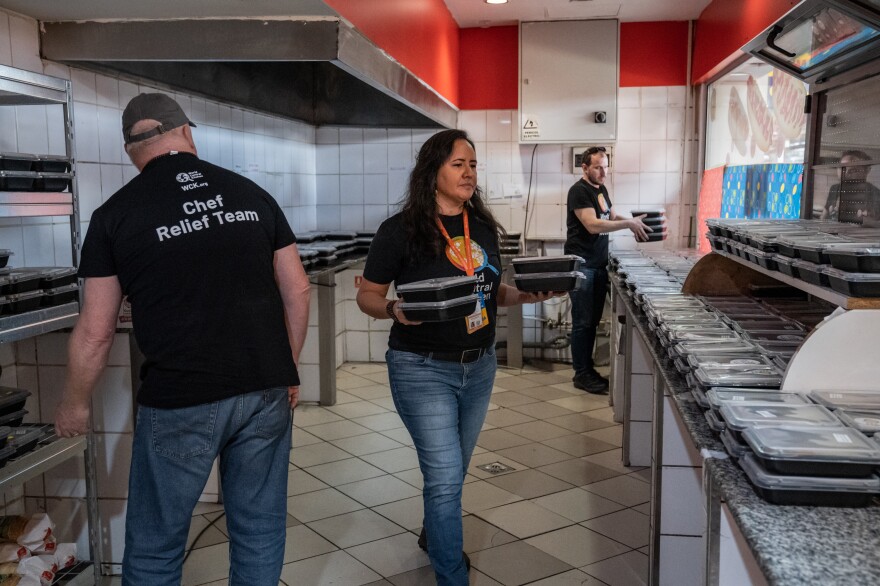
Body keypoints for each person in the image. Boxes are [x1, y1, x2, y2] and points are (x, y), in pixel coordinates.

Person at [53, 93, 310, 586]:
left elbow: (96, 329)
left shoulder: (115, 215)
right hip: (264, 388)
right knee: (257, 529)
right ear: (187, 132)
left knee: (156, 545)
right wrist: (287, 369)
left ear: (131, 149)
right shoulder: (251, 193)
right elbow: (296, 288)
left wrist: (75, 404)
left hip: (182, 399)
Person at [356, 129, 556, 585]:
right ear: (432, 173)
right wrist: (392, 309)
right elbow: (367, 296)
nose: (469, 173)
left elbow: (489, 293)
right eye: (457, 165)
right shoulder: (400, 231)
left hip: (479, 366)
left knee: (455, 468)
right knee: (445, 477)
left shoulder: (482, 226)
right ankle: (451, 575)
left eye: (473, 165)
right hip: (421, 367)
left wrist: (523, 296)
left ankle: (434, 531)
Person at [565, 146, 650, 394]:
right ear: (584, 168)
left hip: (598, 264)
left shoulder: (600, 189)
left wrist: (633, 223)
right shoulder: (578, 191)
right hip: (582, 265)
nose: (603, 172)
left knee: (591, 322)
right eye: (598, 167)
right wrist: (627, 224)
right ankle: (581, 374)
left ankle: (587, 370)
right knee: (582, 323)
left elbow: (610, 216)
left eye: (605, 167)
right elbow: (592, 225)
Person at [820, 149, 880, 225]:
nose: (845, 173)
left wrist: (868, 222)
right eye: (842, 168)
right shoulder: (834, 188)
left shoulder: (875, 193)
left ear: (867, 171)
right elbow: (823, 216)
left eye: (853, 170)